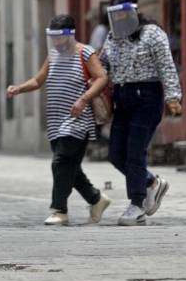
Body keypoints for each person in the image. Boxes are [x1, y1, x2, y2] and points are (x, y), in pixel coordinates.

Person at [7, 15, 112, 226]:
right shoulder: (53, 55)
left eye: (59, 37)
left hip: (78, 120)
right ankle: (96, 199)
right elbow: (38, 80)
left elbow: (101, 77)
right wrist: (19, 88)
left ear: (70, 34)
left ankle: (59, 210)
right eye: (52, 37)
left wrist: (83, 99)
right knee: (69, 167)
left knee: (61, 163)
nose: (56, 41)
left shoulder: (85, 52)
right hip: (56, 121)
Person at [102, 0, 183, 226]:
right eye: (114, 15)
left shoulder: (153, 34)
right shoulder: (111, 37)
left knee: (135, 151)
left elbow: (166, 66)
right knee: (116, 154)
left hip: (147, 97)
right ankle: (151, 183)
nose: (119, 19)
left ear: (134, 11)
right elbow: (103, 63)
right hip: (122, 97)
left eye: (123, 13)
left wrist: (173, 97)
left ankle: (136, 205)